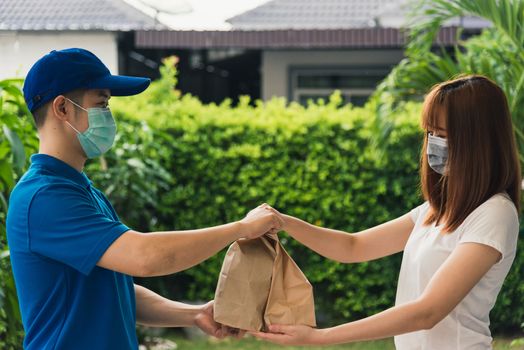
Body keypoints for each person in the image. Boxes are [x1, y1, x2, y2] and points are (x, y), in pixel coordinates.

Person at [6, 48, 282, 350]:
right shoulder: (45, 197)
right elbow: (146, 257)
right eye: (101, 104)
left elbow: (115, 288)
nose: (108, 117)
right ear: (62, 108)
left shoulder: (79, 190)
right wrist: (242, 228)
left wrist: (193, 313)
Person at [251, 75, 521, 349]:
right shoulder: (435, 211)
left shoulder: (494, 214)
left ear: (478, 140)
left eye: (443, 134)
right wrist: (284, 222)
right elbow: (353, 247)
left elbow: (428, 311)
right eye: (430, 133)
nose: (433, 144)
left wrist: (320, 337)